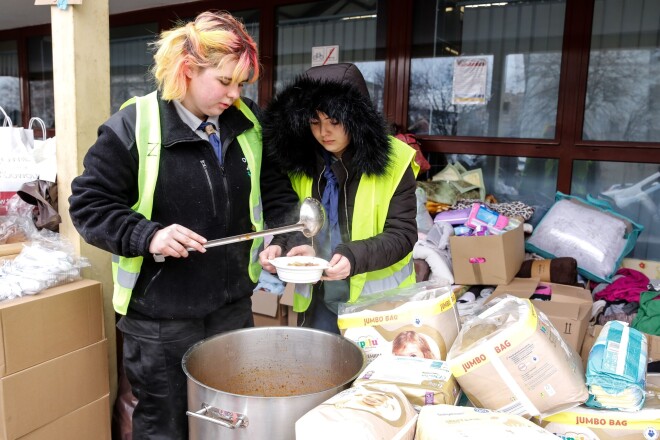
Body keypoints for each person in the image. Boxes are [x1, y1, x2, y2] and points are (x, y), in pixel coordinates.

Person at [68, 11, 299, 439]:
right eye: (225, 81)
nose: (234, 94)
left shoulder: (250, 126)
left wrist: (284, 243)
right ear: (188, 70)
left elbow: (278, 197)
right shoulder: (133, 126)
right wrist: (149, 234)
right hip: (160, 318)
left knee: (228, 418)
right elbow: (89, 204)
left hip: (230, 308)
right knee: (165, 426)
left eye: (241, 84)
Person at [259, 63, 419, 333]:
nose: (324, 133)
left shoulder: (396, 159)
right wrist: (282, 244)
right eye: (314, 122)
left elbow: (403, 234)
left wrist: (353, 257)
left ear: (357, 119)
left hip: (380, 305)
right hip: (319, 300)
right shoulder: (300, 162)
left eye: (334, 121)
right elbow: (300, 222)